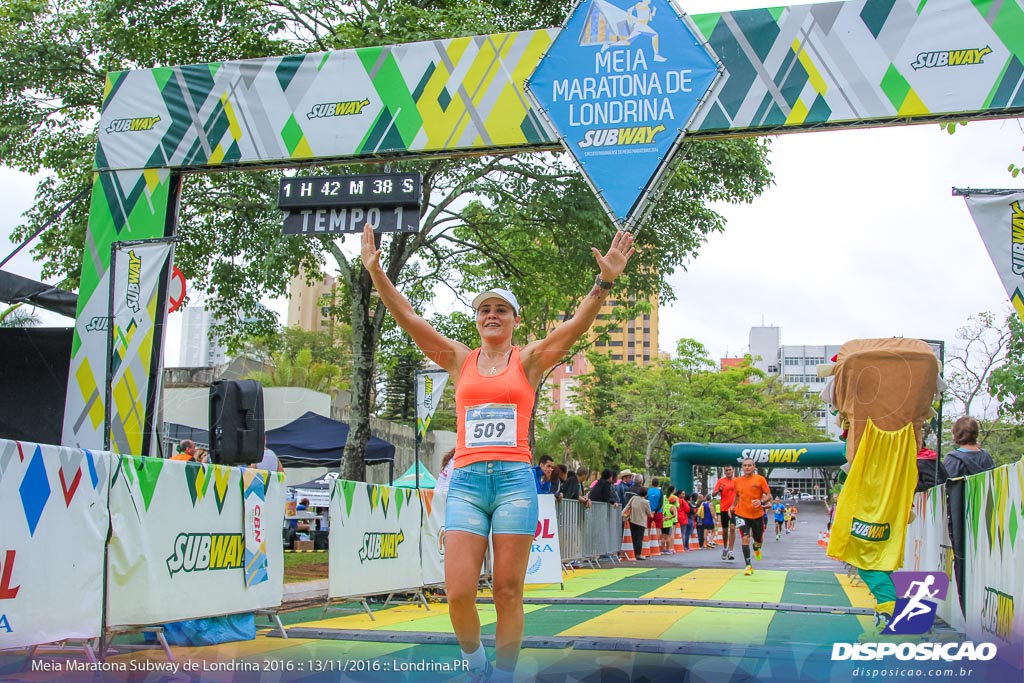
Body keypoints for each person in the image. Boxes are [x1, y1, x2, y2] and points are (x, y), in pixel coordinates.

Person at [361, 222, 634, 681]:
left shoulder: (527, 359)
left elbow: (571, 329)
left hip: (513, 483)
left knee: (508, 591)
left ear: (515, 320)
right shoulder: (457, 357)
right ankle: (476, 665)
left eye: (501, 310)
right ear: (476, 319)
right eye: (485, 309)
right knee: (459, 591)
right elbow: (408, 317)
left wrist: (603, 284)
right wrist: (376, 273)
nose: (492, 315)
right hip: (466, 483)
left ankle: (503, 675)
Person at [732, 457, 772, 576]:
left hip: (757, 514)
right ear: (742, 467)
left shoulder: (760, 479)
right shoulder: (737, 481)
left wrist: (761, 501)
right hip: (741, 513)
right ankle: (748, 566)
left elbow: (769, 495)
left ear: (754, 467)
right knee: (745, 537)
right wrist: (732, 506)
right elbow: (737, 496)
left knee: (758, 539)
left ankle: (756, 547)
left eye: (750, 465)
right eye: (745, 465)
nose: (747, 467)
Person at [713, 465, 738, 561]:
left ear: (733, 470)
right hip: (724, 508)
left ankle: (731, 551)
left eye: (730, 470)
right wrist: (719, 490)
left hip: (734, 509)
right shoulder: (721, 481)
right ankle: (725, 547)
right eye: (726, 470)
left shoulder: (737, 481)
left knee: (732, 528)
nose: (728, 472)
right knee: (724, 530)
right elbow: (713, 494)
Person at [623, 486, 653, 561]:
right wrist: (651, 514)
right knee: (639, 539)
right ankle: (638, 554)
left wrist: (622, 513)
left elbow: (627, 506)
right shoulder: (646, 502)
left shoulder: (633, 498)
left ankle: (631, 552)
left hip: (632, 520)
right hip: (641, 522)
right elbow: (649, 514)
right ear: (646, 494)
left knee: (633, 537)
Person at [661, 486, 677, 554]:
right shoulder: (673, 507)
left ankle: (663, 549)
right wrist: (669, 518)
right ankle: (668, 549)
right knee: (668, 537)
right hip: (669, 523)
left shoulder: (665, 506)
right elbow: (674, 515)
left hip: (663, 522)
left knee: (663, 537)